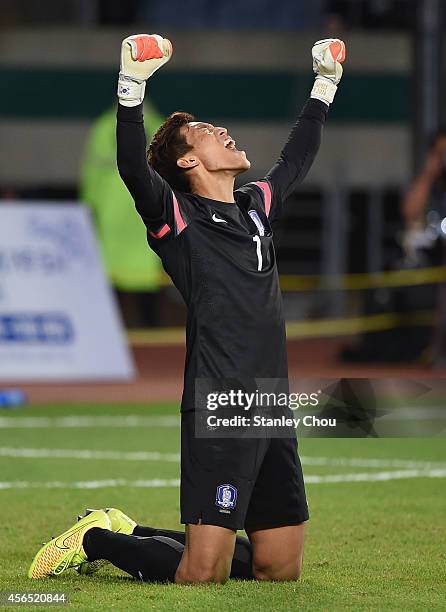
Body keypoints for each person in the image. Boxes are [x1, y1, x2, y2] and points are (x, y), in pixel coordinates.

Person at [29, 33, 346, 583]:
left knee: (278, 570)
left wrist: (325, 84)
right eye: (206, 131)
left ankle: (132, 531)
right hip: (219, 401)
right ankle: (97, 539)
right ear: (190, 160)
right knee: (202, 577)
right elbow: (132, 168)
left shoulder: (255, 209)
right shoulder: (177, 220)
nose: (223, 131)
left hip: (270, 401)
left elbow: (297, 157)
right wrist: (132, 87)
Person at [80, 103, 164, 327]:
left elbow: (92, 174)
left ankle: (113, 338)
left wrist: (88, 206)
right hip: (145, 212)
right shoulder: (160, 127)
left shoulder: (104, 126)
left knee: (114, 287)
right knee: (145, 287)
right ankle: (150, 337)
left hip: (113, 214)